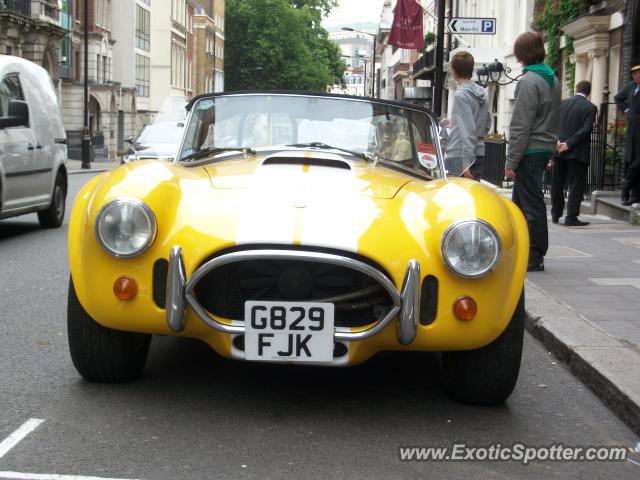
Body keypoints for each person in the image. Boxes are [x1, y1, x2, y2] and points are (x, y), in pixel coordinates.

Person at [504, 32, 561, 272]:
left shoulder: (528, 81)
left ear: (521, 54)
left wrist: (511, 160)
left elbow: (521, 124)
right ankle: (521, 249)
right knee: (519, 204)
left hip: (530, 149)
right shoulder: (552, 79)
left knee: (531, 204)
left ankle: (535, 254)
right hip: (544, 146)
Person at [551, 80, 597, 226]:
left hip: (559, 151)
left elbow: (553, 123)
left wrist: (558, 141)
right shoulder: (590, 107)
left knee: (557, 183)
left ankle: (555, 214)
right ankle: (571, 217)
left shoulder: (562, 103)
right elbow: (586, 129)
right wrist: (569, 144)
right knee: (576, 185)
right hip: (577, 153)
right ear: (588, 92)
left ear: (576, 89)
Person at [440, 51, 491, 180]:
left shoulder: (461, 95)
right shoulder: (481, 93)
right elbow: (486, 123)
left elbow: (467, 131)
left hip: (460, 156)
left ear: (454, 70)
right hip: (479, 152)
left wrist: (466, 161)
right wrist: (455, 123)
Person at [614, 63, 640, 206]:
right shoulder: (631, 86)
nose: (638, 76)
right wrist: (626, 110)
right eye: (635, 73)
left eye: (639, 73)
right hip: (632, 131)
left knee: (637, 161)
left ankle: (626, 184)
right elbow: (618, 98)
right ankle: (634, 195)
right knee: (632, 159)